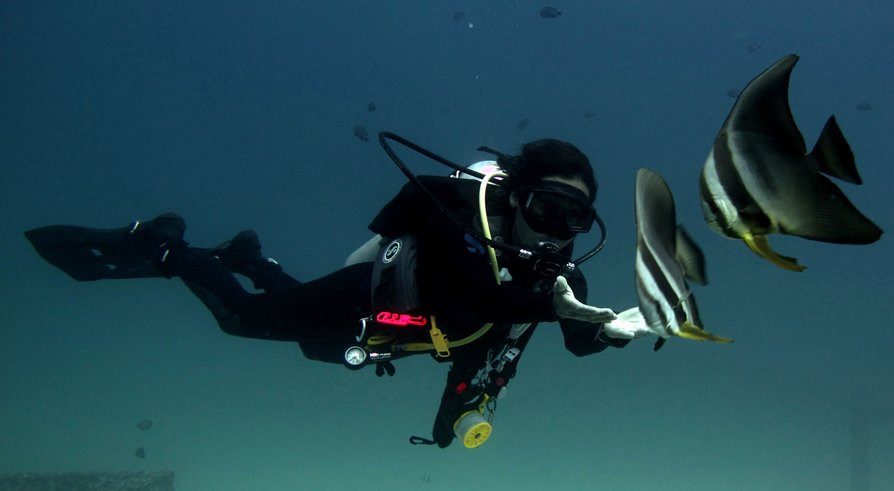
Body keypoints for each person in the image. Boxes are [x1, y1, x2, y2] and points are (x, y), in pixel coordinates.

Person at [26, 137, 648, 449]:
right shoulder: (452, 220)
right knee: (240, 319)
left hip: (393, 335)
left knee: (308, 344)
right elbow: (475, 303)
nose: (558, 232)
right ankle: (167, 245)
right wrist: (551, 304)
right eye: (548, 208)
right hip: (367, 298)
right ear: (514, 197)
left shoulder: (560, 281)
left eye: (576, 220)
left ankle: (246, 255)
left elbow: (574, 338)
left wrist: (609, 333)